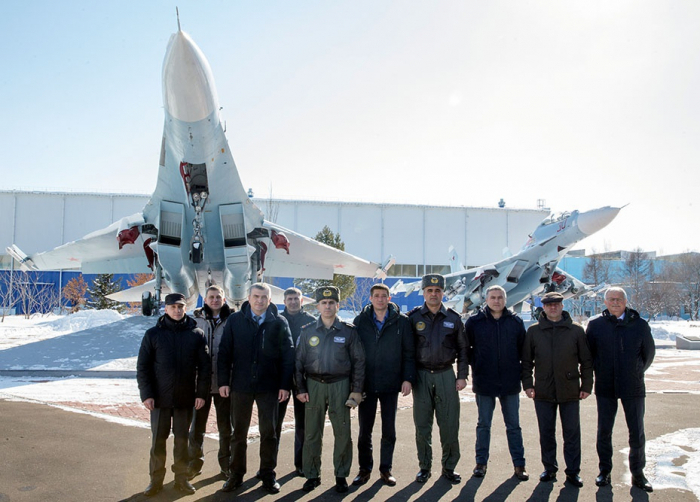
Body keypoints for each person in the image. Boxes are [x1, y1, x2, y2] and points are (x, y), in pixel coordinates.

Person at [217, 283, 295, 494]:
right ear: (249, 298)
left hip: (268, 387)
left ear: (270, 300)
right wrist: (223, 382)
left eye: (264, 297)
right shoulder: (235, 321)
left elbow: (288, 356)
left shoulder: (279, 322)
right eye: (256, 296)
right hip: (241, 386)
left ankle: (268, 474)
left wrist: (285, 385)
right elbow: (224, 353)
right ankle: (236, 475)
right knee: (238, 433)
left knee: (269, 432)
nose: (260, 301)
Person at [136, 293, 211, 497]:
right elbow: (143, 367)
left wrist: (201, 394)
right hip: (159, 400)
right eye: (173, 307)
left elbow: (205, 368)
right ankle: (156, 480)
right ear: (166, 309)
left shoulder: (196, 334)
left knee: (181, 441)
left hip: (185, 399)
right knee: (158, 441)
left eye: (180, 306)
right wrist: (147, 394)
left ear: (185, 307)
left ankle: (181, 479)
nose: (177, 310)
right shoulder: (153, 334)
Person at [295, 286, 366, 493]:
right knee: (311, 433)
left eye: (331, 303)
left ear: (337, 305)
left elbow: (359, 361)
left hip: (340, 385)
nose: (327, 306)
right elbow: (298, 361)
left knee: (342, 433)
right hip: (314, 385)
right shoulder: (307, 331)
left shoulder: (348, 331)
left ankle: (341, 475)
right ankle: (312, 474)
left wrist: (356, 390)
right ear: (317, 306)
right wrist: (300, 388)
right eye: (323, 303)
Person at [586, 287, 655, 492]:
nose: (615, 302)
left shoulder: (640, 325)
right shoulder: (596, 325)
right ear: (605, 302)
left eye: (619, 299)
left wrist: (635, 372)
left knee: (637, 432)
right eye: (611, 299)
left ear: (626, 301)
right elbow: (589, 355)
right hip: (606, 386)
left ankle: (638, 474)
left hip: (632, 387)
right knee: (604, 431)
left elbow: (648, 354)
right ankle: (604, 471)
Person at [521, 292, 593, 488]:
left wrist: (586, 386)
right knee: (546, 432)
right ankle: (550, 468)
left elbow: (586, 361)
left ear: (562, 306)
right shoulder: (534, 332)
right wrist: (528, 384)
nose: (553, 307)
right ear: (543, 308)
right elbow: (526, 361)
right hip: (543, 390)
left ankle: (573, 472)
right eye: (548, 305)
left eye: (556, 304)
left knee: (571, 433)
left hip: (570, 389)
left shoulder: (575, 331)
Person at [351, 283, 416, 487]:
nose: (380, 299)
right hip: (367, 385)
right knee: (365, 431)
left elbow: (409, 353)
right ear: (370, 298)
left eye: (384, 296)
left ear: (389, 298)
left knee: (389, 430)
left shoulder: (402, 322)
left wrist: (407, 378)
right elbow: (353, 354)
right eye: (376, 296)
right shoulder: (360, 321)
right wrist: (355, 384)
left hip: (390, 384)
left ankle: (386, 470)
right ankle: (364, 470)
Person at [408, 274, 468, 484]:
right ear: (423, 293)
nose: (434, 294)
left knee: (450, 424)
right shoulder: (413, 318)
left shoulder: (453, 318)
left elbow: (463, 349)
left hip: (446, 376)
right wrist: (408, 377)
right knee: (422, 425)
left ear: (443, 292)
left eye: (437, 290)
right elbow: (407, 351)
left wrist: (461, 377)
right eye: (429, 290)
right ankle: (424, 466)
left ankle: (449, 467)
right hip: (422, 377)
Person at [465, 285, 528, 481]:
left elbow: (523, 352)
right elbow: (467, 350)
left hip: (510, 383)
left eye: (500, 297)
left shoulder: (516, 322)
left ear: (505, 299)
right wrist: (478, 367)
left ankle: (519, 465)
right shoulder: (475, 323)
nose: (496, 301)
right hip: (485, 382)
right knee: (484, 424)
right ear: (486, 299)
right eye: (492, 297)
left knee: (514, 426)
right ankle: (481, 463)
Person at [187, 285, 233, 480]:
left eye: (218, 297)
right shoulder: (194, 320)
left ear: (224, 299)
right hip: (201, 385)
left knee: (226, 427)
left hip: (224, 384)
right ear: (204, 299)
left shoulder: (233, 320)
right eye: (211, 297)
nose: (214, 300)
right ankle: (194, 463)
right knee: (197, 427)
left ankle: (227, 464)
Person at [277, 287, 316, 476]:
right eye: (289, 298)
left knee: (302, 424)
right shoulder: (276, 320)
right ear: (284, 301)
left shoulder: (311, 321)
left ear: (302, 301)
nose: (293, 302)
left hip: (304, 379)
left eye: (296, 298)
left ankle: (300, 463)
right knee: (275, 423)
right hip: (281, 379)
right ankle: (269, 466)